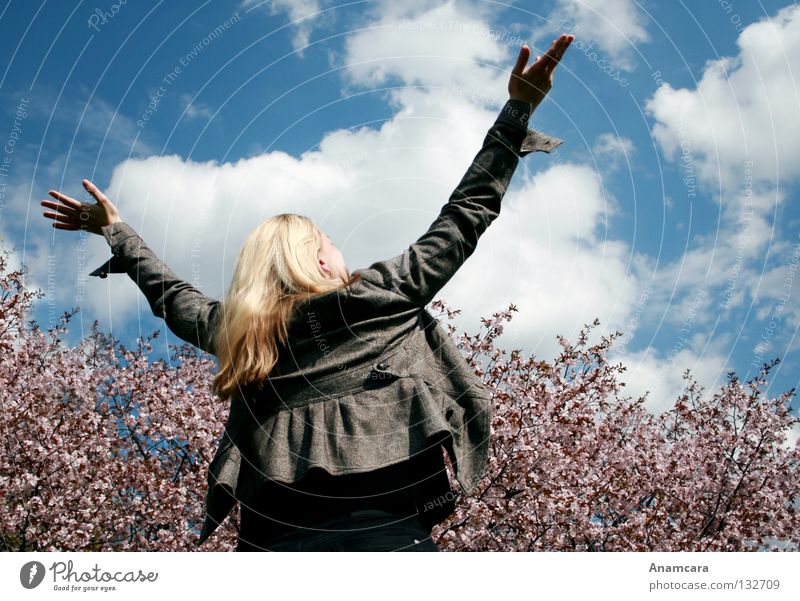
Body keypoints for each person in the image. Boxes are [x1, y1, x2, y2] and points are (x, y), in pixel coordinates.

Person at [41, 34, 574, 552]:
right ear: (318, 259)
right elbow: (462, 217)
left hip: (269, 543)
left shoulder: (241, 332)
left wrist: (116, 230)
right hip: (385, 536)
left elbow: (172, 297)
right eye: (333, 245)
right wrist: (515, 114)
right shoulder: (377, 296)